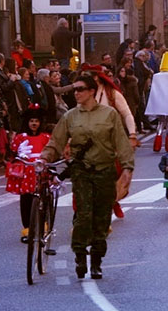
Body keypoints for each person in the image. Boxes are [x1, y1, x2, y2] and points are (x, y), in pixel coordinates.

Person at [40, 74, 134, 280]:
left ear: (91, 91)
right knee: (83, 215)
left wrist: (127, 168)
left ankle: (97, 262)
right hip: (82, 171)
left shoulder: (109, 114)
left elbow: (121, 141)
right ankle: (80, 255)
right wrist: (44, 158)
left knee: (101, 218)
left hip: (105, 170)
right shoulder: (70, 116)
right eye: (74, 90)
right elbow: (56, 141)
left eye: (80, 89)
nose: (76, 93)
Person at [6, 106, 51, 243]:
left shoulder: (46, 137)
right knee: (26, 200)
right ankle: (27, 229)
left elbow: (51, 152)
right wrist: (19, 154)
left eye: (36, 121)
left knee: (44, 198)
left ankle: (43, 227)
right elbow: (12, 154)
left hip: (41, 171)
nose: (34, 124)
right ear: (27, 122)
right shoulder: (20, 138)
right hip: (27, 173)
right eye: (31, 121)